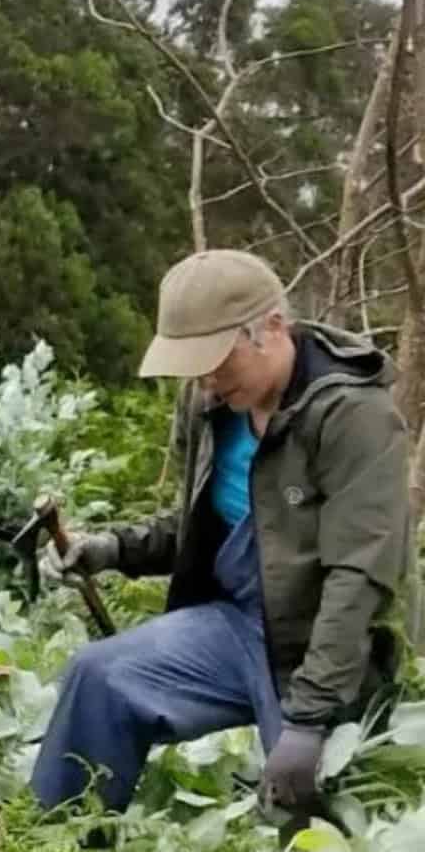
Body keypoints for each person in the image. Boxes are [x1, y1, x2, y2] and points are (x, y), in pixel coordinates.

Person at [34, 249, 410, 818]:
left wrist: (308, 719)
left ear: (272, 329)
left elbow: (360, 576)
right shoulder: (212, 402)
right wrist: (111, 549)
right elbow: (197, 524)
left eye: (217, 359)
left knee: (308, 817)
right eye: (194, 364)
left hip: (329, 644)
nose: (206, 379)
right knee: (100, 678)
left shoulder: (352, 414)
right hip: (236, 621)